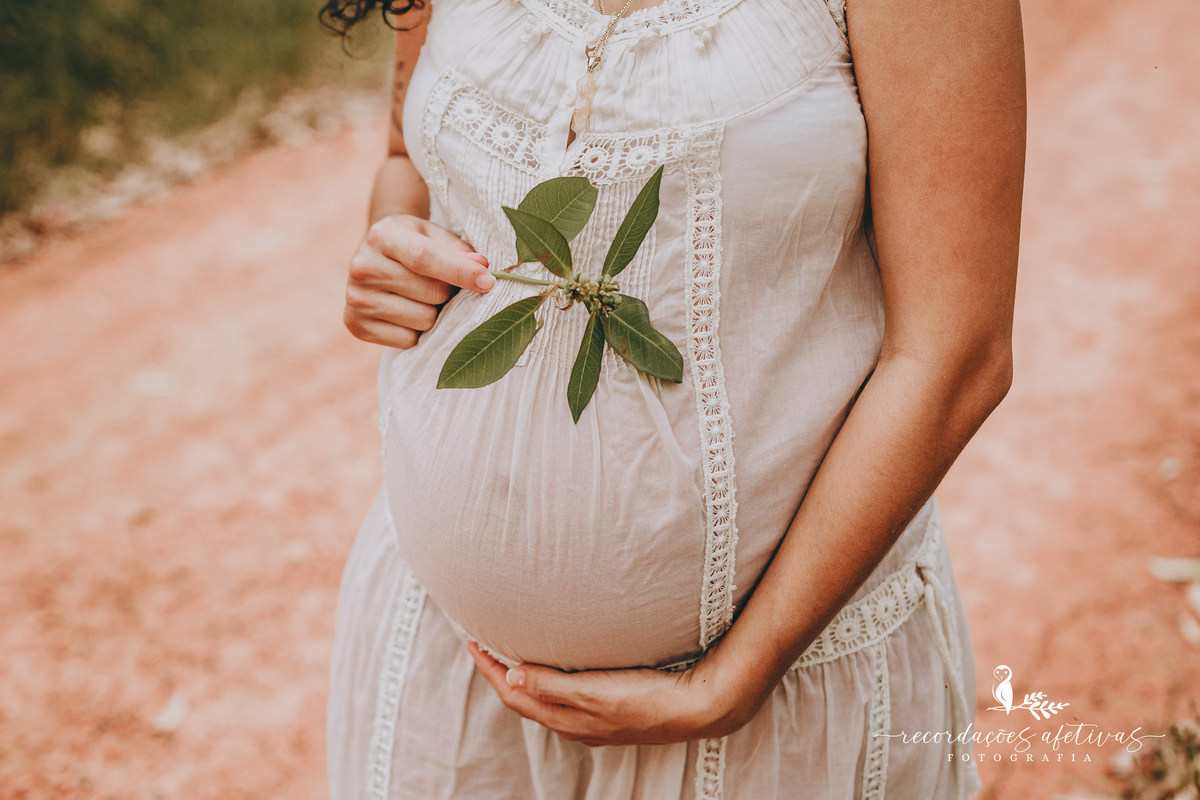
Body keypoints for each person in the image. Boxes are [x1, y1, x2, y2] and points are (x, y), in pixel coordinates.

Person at [326, 0, 1025, 796]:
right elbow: (404, 157)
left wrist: (733, 681)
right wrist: (391, 243)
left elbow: (955, 353)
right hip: (452, 682)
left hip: (772, 710)